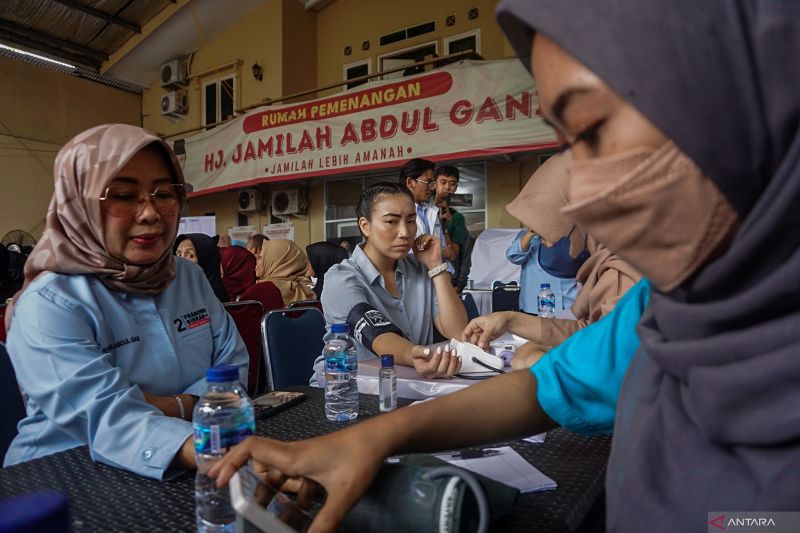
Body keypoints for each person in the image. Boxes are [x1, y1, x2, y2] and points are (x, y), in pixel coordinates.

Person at [208, 2, 800, 530]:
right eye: (567, 144)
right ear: (362, 227)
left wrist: (439, 271)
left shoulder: (422, 267)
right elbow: (549, 385)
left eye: (592, 130)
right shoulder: (669, 308)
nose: (581, 192)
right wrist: (372, 438)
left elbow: (451, 330)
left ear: (741, 89)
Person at [3, 124, 248, 479]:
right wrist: (212, 436)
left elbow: (233, 368)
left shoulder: (188, 277)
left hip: (187, 465)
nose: (150, 213)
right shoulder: (50, 302)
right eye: (123, 195)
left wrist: (170, 406)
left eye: (164, 193)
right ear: (80, 204)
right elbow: (109, 416)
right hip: (62, 476)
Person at [317, 183, 467, 378]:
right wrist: (414, 355)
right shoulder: (341, 278)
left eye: (411, 221)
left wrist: (436, 266)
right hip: (347, 390)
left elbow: (458, 331)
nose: (405, 232)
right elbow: (377, 334)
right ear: (365, 226)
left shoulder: (420, 268)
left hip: (412, 382)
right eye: (391, 222)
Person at [399, 158, 453, 275]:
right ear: (410, 182)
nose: (432, 188)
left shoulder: (433, 211)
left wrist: (447, 276)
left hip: (439, 278)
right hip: (413, 278)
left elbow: (446, 253)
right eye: (428, 182)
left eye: (433, 183)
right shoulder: (398, 213)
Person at [433, 166, 472, 292]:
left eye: (452, 183)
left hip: (447, 279)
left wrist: (460, 284)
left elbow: (455, 254)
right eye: (443, 182)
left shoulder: (457, 218)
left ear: (456, 187)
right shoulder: (421, 210)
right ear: (434, 184)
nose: (447, 187)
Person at [256, 239, 316, 305]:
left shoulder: (262, 290)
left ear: (276, 261)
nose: (256, 261)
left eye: (260, 258)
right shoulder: (306, 287)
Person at [174, 233, 229, 302]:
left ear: (206, 259)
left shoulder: (214, 299)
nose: (181, 260)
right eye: (178, 254)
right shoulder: (173, 291)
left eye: (189, 255)